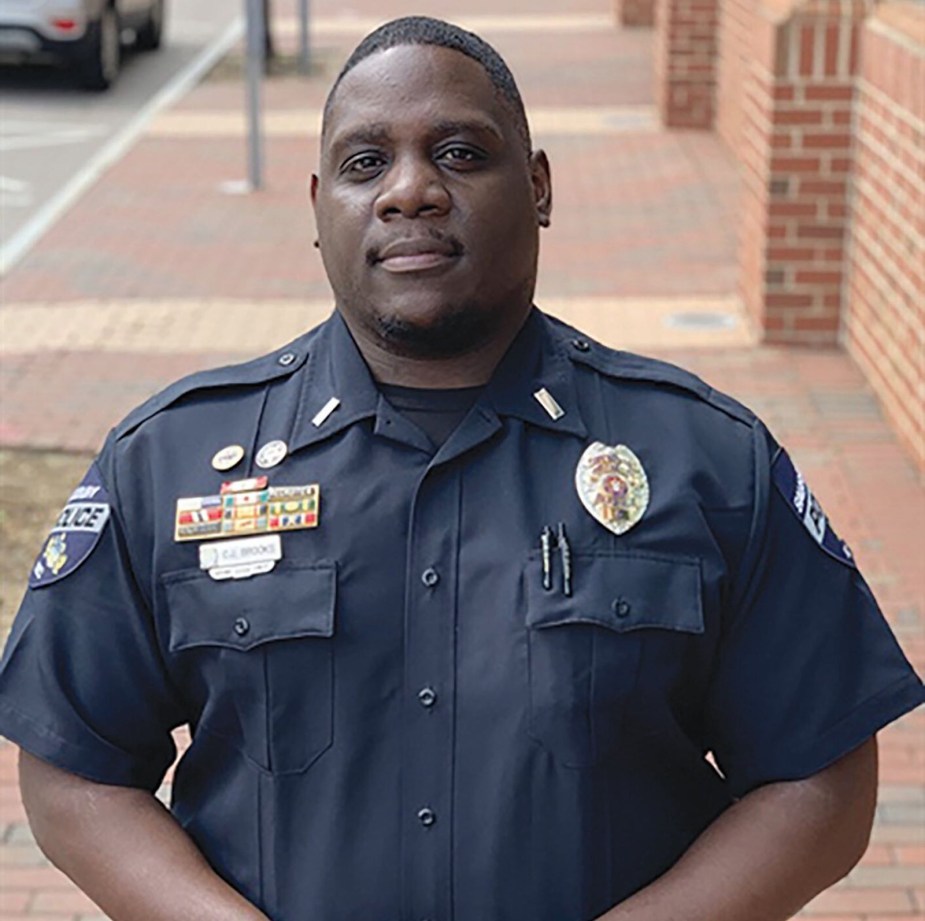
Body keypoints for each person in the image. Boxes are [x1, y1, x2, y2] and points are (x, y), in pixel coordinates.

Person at [0, 15, 922, 921]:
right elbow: (73, 764)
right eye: (366, 165)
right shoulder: (171, 463)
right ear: (318, 208)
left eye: (459, 154)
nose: (410, 192)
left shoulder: (704, 459)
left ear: (539, 187)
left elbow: (821, 779)